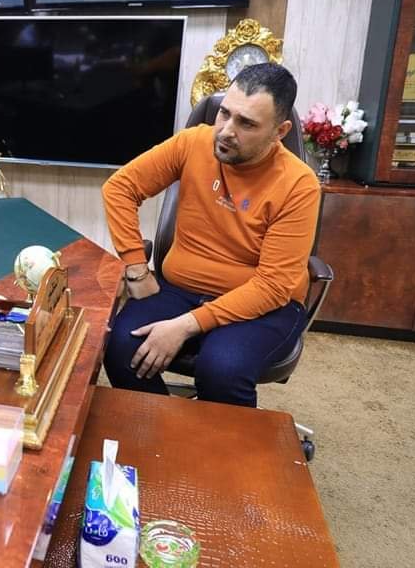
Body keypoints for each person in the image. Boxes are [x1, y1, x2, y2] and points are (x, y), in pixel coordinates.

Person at [101, 63, 320, 407]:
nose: (226, 131)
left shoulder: (299, 184)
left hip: (261, 304)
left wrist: (186, 325)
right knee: (120, 346)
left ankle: (217, 441)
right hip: (180, 288)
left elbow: (273, 286)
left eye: (246, 123)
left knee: (222, 369)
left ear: (280, 132)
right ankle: (165, 428)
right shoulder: (193, 143)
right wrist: (136, 268)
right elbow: (120, 188)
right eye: (224, 114)